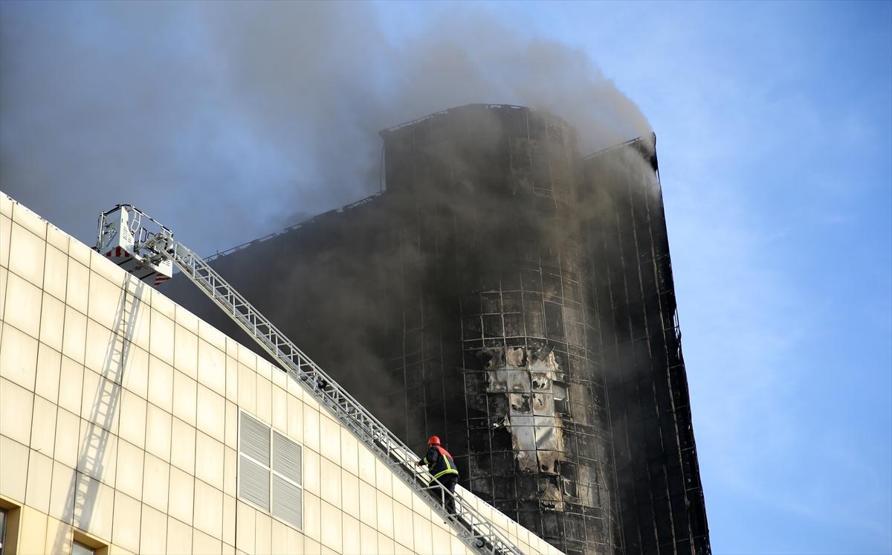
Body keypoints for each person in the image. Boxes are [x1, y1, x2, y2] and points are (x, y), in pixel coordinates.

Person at [417, 435, 459, 516]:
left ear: (430, 444)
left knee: (433, 487)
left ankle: (442, 503)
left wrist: (420, 462)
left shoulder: (433, 449)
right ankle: (453, 514)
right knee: (449, 493)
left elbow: (431, 458)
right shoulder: (445, 452)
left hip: (443, 473)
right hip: (454, 474)